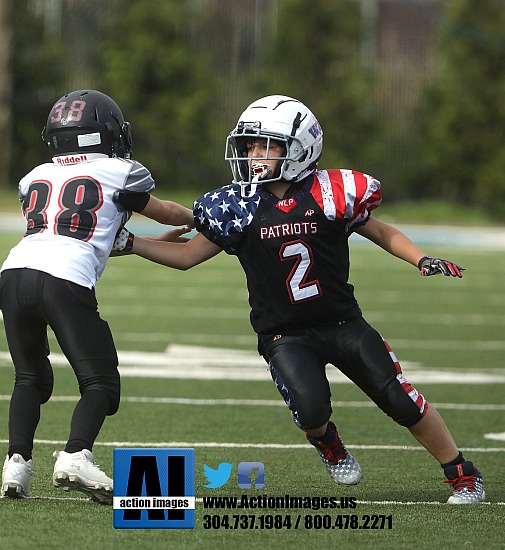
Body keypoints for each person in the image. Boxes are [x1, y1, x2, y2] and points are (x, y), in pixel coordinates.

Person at [116, 95, 484, 504]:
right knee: (310, 409)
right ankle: (328, 442)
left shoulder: (332, 192)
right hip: (283, 333)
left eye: (265, 144)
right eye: (250, 145)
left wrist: (420, 258)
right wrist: (133, 243)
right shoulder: (239, 204)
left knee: (399, 397)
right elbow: (186, 255)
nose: (253, 154)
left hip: (342, 322)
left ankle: (463, 475)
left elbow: (379, 231)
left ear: (299, 147)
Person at [0, 90, 192, 504]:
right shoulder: (120, 171)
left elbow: (80, 233)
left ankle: (16, 463)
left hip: (13, 273)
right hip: (64, 277)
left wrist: (149, 242)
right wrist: (200, 219)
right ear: (104, 132)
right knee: (101, 382)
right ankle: (75, 454)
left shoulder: (35, 176)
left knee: (30, 376)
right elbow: (167, 212)